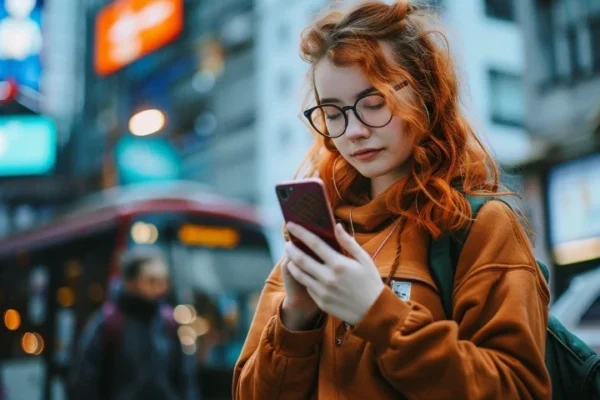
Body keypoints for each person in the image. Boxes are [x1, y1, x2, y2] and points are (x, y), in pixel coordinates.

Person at [233, 1, 551, 399]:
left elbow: (518, 389)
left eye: (374, 103)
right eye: (333, 112)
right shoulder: (322, 229)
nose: (353, 131)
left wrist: (378, 314)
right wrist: (295, 317)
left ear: (425, 93)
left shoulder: (479, 225)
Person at [70, 246, 199, 400]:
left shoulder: (169, 323)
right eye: (151, 281)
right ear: (129, 282)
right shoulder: (109, 323)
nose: (160, 288)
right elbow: (85, 382)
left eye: (164, 281)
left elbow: (185, 381)